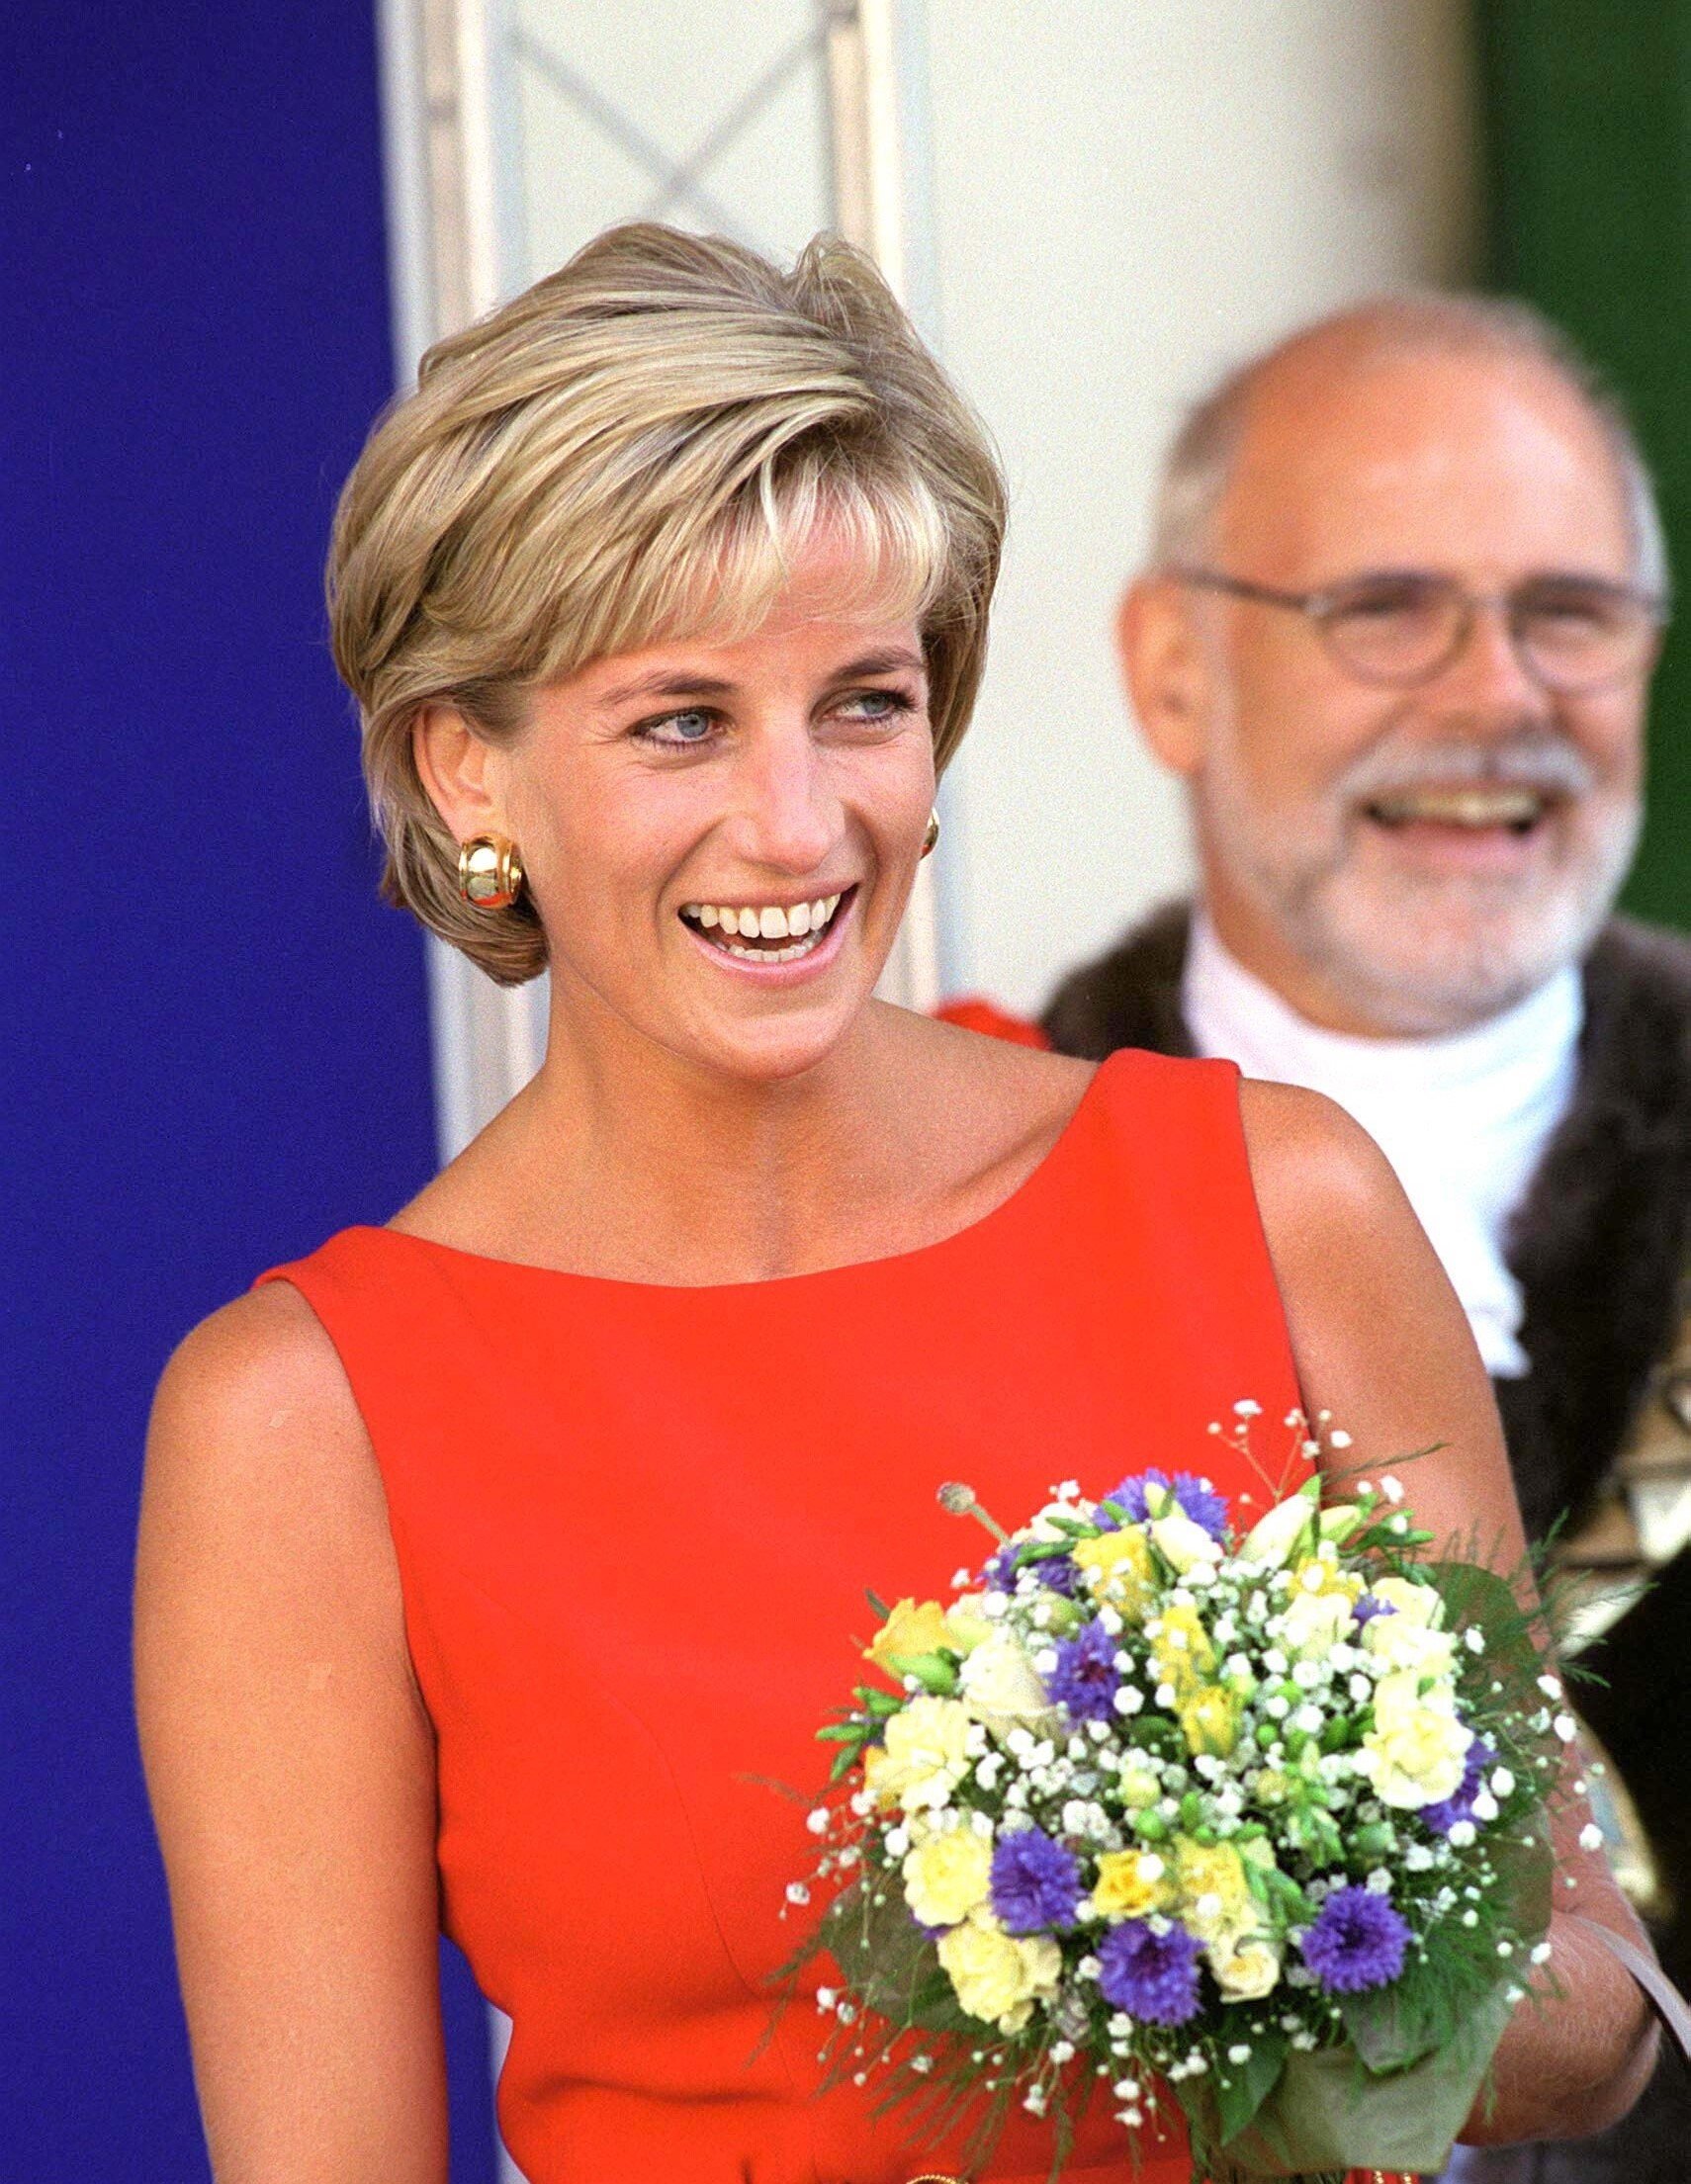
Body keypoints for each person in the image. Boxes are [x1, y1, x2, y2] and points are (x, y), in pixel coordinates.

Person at [134, 231, 1652, 2184]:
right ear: (465, 771)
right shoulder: (303, 1420)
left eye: (861, 702)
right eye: (681, 719)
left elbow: (1598, 2006)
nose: (795, 821)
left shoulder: (1271, 1201)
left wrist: (1203, 1912)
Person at [1019, 297, 1691, 2183]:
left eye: (1569, 613)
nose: (1494, 693)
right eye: (1385, 605)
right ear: (1168, 666)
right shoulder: (953, 1185)